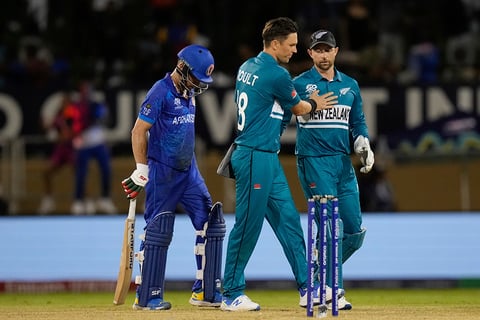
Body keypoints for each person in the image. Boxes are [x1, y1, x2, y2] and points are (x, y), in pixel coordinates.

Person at [219, 17, 338, 312]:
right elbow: (298, 108)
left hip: (265, 156)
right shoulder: (278, 75)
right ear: (275, 44)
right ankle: (230, 292)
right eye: (292, 45)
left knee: (288, 221)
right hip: (254, 154)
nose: (295, 51)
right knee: (248, 225)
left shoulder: (247, 67)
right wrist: (314, 104)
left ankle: (306, 287)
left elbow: (270, 104)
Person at [121, 44, 226, 311]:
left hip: (189, 171)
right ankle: (147, 297)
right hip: (163, 173)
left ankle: (205, 293)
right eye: (197, 78)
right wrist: (141, 168)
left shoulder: (189, 91)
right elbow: (138, 131)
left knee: (211, 224)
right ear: (182, 68)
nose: (200, 85)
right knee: (159, 230)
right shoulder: (160, 91)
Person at [290, 29, 374, 310]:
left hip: (342, 163)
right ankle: (332, 288)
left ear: (336, 51)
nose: (324, 55)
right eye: (318, 50)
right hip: (313, 160)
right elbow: (285, 111)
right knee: (329, 228)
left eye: (328, 49)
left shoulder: (350, 85)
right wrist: (307, 107)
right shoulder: (300, 84)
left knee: (354, 232)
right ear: (310, 53)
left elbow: (358, 122)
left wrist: (363, 143)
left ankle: (318, 278)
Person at [70, 81, 117, 215]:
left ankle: (105, 198)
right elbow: (72, 123)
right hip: (83, 144)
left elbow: (105, 119)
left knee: (106, 170)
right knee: (81, 173)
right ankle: (78, 200)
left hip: (98, 142)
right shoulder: (75, 107)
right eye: (84, 91)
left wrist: (102, 112)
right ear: (80, 93)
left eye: (88, 91)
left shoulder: (96, 105)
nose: (86, 93)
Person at [38, 93, 77, 215]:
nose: (63, 104)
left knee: (79, 174)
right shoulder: (59, 117)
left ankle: (82, 200)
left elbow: (75, 132)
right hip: (60, 151)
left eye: (65, 102)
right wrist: (44, 124)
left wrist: (68, 135)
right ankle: (48, 201)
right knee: (47, 172)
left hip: (72, 150)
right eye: (62, 102)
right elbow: (48, 128)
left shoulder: (75, 116)